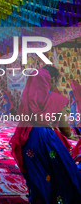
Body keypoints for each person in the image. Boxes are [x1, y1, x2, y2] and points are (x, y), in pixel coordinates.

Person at [9, 66, 81, 203]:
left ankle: (39, 199)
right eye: (56, 82)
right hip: (46, 139)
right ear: (51, 80)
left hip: (28, 138)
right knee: (61, 171)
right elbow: (64, 127)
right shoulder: (56, 98)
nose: (56, 85)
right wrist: (70, 136)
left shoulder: (28, 99)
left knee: (37, 173)